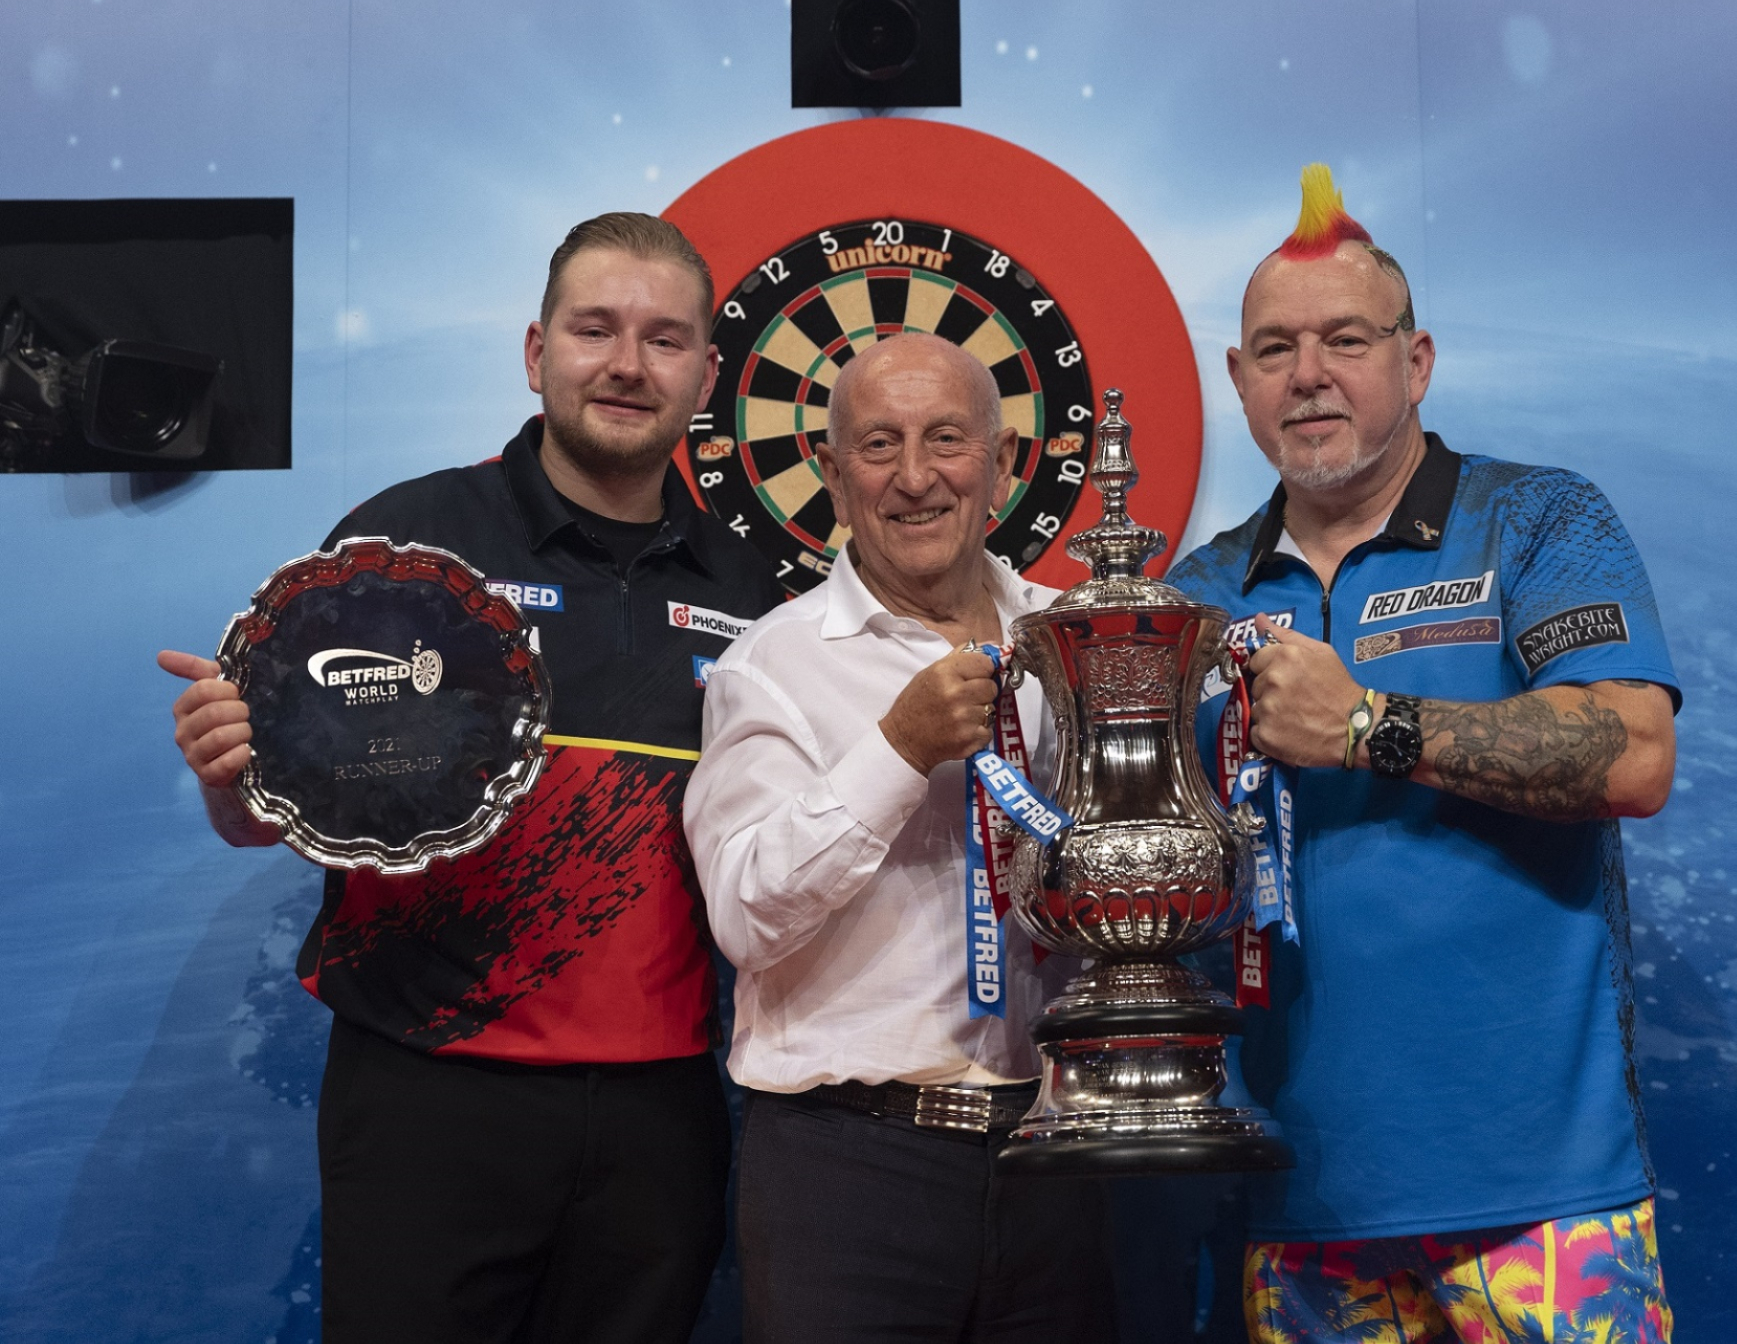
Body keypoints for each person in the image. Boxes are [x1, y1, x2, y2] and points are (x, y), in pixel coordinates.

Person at [160, 213, 783, 1343]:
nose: (627, 365)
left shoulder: (757, 588)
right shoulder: (406, 544)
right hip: (425, 1097)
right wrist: (228, 774)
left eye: (664, 339)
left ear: (704, 373)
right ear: (536, 351)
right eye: (596, 329)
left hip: (665, 1110)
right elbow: (273, 818)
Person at [1166, 166, 1680, 1342]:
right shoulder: (1191, 598)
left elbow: (1634, 757)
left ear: (1419, 360)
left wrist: (1366, 723)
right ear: (1238, 383)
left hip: (1546, 1204)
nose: (1309, 373)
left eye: (1346, 338)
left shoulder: (1542, 519)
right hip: (1296, 1207)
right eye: (1275, 348)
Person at [683, 332, 1114, 1343]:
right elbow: (744, 915)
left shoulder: (1083, 640)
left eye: (946, 440)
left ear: (1003, 466)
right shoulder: (769, 666)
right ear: (833, 476)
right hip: (849, 1176)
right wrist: (896, 752)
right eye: (879, 446)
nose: (915, 477)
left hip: (1063, 1160)